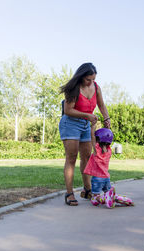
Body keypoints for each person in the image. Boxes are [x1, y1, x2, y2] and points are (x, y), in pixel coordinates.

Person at [59, 63, 111, 206]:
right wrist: (87, 115)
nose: (91, 82)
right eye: (88, 79)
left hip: (85, 125)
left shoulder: (96, 87)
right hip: (70, 124)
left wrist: (106, 118)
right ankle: (69, 194)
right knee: (72, 158)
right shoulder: (73, 88)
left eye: (93, 79)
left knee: (87, 157)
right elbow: (68, 110)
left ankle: (87, 189)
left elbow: (101, 105)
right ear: (81, 77)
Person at [84, 127, 134, 208]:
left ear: (98, 139)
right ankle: (117, 198)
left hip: (97, 178)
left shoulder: (97, 150)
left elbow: (92, 137)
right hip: (106, 178)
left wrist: (93, 125)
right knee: (108, 192)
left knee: (94, 200)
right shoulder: (109, 151)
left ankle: (104, 197)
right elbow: (106, 136)